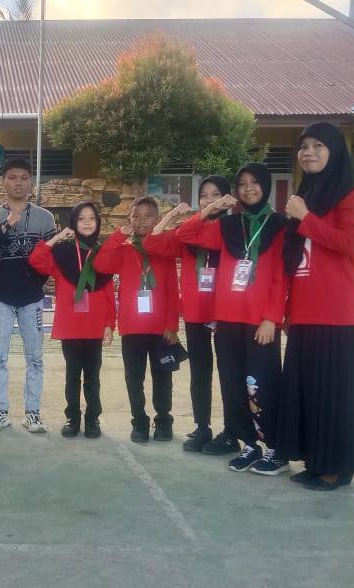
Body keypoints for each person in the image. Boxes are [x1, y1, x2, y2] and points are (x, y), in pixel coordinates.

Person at [177, 163, 289, 475]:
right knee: (233, 384)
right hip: (227, 320)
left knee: (261, 385)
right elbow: (186, 233)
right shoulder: (228, 226)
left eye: (254, 182)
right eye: (242, 183)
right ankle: (250, 445)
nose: (248, 188)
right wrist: (212, 208)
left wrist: (272, 318)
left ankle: (275, 449)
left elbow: (281, 276)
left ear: (265, 186)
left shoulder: (279, 224)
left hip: (259, 322)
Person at [277, 122, 354, 491]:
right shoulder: (306, 195)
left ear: (335, 151)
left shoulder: (351, 195)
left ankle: (336, 467)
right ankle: (316, 461)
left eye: (318, 145)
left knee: (334, 396)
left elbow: (348, 244)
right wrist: (287, 309)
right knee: (309, 393)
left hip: (337, 314)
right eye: (303, 146)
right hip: (304, 312)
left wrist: (305, 218)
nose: (308, 152)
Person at [143, 177, 234, 453]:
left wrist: (207, 212)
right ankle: (202, 427)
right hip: (196, 312)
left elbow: (192, 234)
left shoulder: (231, 228)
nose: (209, 200)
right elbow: (152, 242)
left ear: (227, 198)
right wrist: (171, 214)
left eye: (216, 194)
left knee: (230, 374)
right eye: (204, 196)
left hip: (225, 311)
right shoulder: (189, 231)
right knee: (200, 373)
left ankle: (232, 431)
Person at [0, 158, 56, 434]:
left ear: (30, 182)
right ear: (3, 182)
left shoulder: (45, 218)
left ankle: (33, 414)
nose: (18, 182)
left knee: (35, 359)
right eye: (12, 177)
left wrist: (38, 282)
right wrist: (6, 225)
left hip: (32, 299)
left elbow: (51, 257)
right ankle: (0, 413)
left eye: (23, 177)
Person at [93, 196, 179, 443]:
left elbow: (172, 288)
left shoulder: (164, 250)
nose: (142, 221)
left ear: (157, 219)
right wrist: (118, 236)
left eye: (148, 216)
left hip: (161, 328)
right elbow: (100, 264)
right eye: (136, 216)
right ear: (129, 219)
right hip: (132, 327)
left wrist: (172, 324)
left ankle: (163, 421)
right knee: (134, 378)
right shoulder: (123, 249)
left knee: (163, 377)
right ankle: (139, 421)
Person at [28, 201, 115, 438]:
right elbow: (36, 260)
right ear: (74, 223)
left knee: (93, 377)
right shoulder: (63, 254)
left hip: (95, 326)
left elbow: (109, 292)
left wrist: (109, 324)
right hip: (71, 327)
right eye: (81, 219)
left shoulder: (103, 254)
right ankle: (72, 418)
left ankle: (93, 418)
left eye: (92, 218)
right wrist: (57, 237)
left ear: (98, 223)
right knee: (72, 376)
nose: (87, 223)